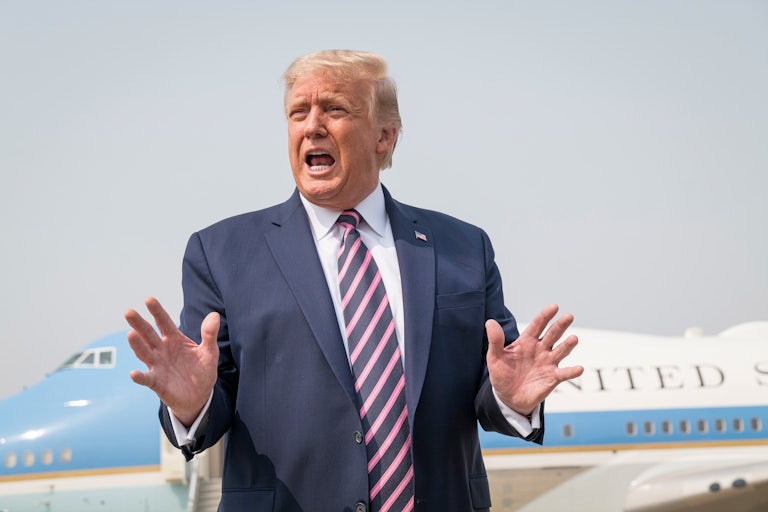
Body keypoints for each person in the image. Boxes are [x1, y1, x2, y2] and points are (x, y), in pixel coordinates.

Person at [124, 49, 583, 512]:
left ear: (384, 136)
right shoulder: (221, 252)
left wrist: (512, 400)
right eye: (298, 112)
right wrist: (191, 405)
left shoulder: (463, 247)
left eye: (335, 109)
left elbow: (491, 387)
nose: (312, 125)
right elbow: (213, 401)